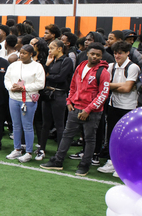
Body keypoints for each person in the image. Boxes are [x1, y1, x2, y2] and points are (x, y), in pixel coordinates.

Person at [41, 43, 111, 176]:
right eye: (92, 54)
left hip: (92, 112)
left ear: (101, 57)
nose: (94, 56)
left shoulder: (104, 72)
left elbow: (103, 94)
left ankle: (84, 165)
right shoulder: (81, 66)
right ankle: (58, 161)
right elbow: (73, 85)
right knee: (67, 135)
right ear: (87, 54)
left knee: (89, 139)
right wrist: (69, 101)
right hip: (75, 108)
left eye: (98, 55)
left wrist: (88, 110)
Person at [97, 41, 141, 174]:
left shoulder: (133, 67)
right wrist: (116, 86)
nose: (117, 55)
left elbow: (127, 88)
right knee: (111, 135)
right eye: (115, 53)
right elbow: (103, 85)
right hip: (113, 104)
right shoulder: (111, 66)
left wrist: (110, 86)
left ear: (127, 53)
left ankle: (124, 164)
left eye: (120, 53)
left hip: (128, 106)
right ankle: (112, 161)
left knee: (126, 137)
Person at [4, 44, 45, 163]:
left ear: (31, 54)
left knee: (27, 126)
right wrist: (11, 87)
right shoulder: (14, 65)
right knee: (16, 125)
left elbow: (40, 84)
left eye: (24, 53)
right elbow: (6, 79)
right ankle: (17, 149)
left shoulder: (37, 67)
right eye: (20, 53)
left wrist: (24, 88)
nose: (21, 55)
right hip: (13, 98)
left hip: (28, 100)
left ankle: (28, 152)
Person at [35, 39, 74, 161]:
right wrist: (46, 65)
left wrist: (48, 76)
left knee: (59, 124)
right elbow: (42, 75)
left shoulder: (67, 60)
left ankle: (60, 152)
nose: (49, 50)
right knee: (45, 123)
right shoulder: (51, 61)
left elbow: (61, 78)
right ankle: (41, 148)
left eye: (52, 48)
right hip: (48, 94)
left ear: (59, 49)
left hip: (59, 94)